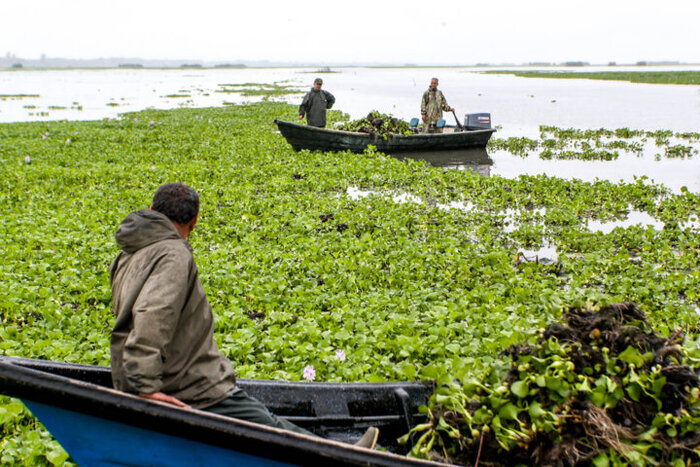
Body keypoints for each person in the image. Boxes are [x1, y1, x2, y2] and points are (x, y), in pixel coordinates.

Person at [109, 182, 378, 449]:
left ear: (152, 209)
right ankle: (339, 454)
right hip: (187, 385)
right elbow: (153, 314)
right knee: (263, 422)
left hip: (139, 375)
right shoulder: (174, 254)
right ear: (194, 222)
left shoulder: (129, 252)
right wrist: (145, 386)